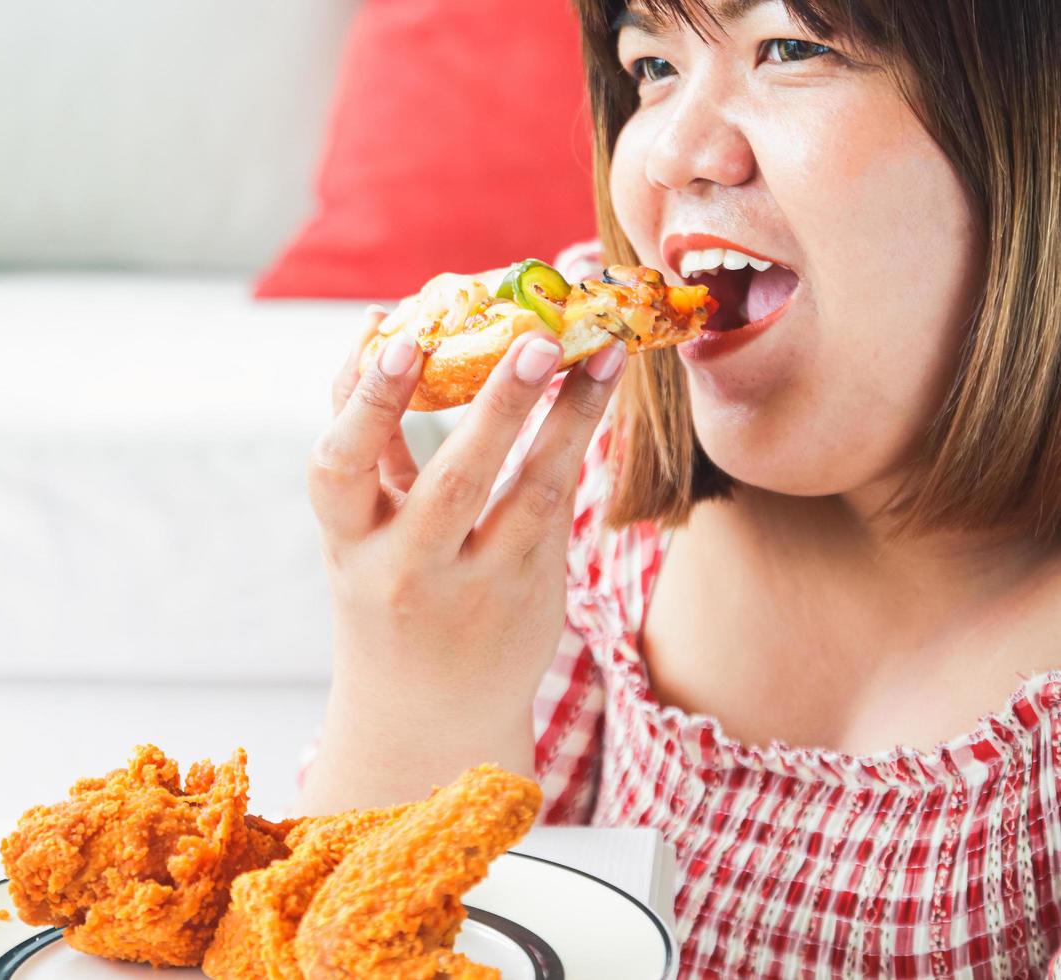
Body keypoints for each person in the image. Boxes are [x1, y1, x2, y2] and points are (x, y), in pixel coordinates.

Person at [296, 0, 1061, 974]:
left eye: (790, 47)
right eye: (651, 66)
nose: (667, 154)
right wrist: (410, 693)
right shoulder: (585, 440)